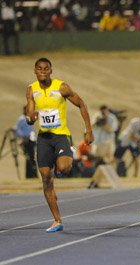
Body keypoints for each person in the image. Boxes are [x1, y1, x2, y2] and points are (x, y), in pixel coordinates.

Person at [25, 57, 94, 232]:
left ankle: (62, 160)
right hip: (44, 138)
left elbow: (81, 104)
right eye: (39, 69)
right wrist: (30, 117)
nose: (42, 71)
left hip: (61, 136)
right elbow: (30, 111)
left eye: (46, 69)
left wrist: (89, 130)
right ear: (35, 71)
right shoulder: (31, 89)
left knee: (63, 168)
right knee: (46, 178)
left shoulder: (61, 87)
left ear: (50, 71)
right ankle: (57, 220)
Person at [14, 106, 37, 179]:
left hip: (31, 140)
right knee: (29, 158)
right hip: (26, 141)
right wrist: (24, 137)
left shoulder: (29, 118)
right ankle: (30, 175)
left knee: (32, 157)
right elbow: (17, 130)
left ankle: (33, 175)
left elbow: (31, 129)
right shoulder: (22, 119)